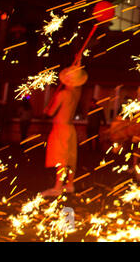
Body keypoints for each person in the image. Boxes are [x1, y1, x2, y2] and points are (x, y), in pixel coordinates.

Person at [41, 66, 88, 197]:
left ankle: (57, 187)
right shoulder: (76, 93)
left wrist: (46, 110)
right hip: (70, 128)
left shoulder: (63, 94)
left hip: (60, 128)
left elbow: (51, 112)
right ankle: (69, 185)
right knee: (70, 158)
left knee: (61, 159)